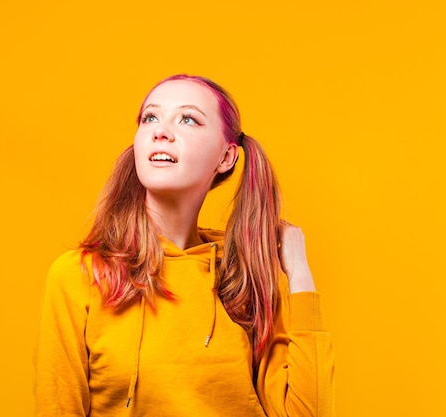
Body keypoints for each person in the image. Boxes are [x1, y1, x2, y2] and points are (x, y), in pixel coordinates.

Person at [33, 74, 335, 416]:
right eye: (150, 117)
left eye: (188, 118)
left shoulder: (243, 279)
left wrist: (298, 273)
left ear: (226, 158)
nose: (160, 131)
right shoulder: (80, 276)